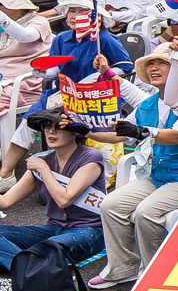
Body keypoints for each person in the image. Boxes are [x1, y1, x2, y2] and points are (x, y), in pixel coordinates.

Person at [90, 53, 178, 288]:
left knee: (146, 212)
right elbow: (120, 134)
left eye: (161, 63)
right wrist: (83, 130)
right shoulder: (147, 104)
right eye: (149, 64)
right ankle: (122, 268)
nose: (153, 68)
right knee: (110, 204)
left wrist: (140, 132)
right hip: (155, 174)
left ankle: (153, 272)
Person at [0, 110, 106, 269]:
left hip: (88, 230)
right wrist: (42, 166)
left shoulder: (91, 157)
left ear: (74, 132)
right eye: (47, 127)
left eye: (58, 127)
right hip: (53, 228)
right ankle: (26, 267)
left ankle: (22, 266)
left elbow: (64, 199)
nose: (51, 131)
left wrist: (43, 169)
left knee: (47, 249)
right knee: (41, 251)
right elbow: (6, 201)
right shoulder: (42, 160)